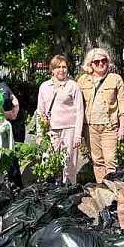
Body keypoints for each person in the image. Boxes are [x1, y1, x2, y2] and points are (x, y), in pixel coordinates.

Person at [77, 47, 124, 182]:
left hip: (109, 126)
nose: (101, 64)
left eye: (104, 60)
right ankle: (102, 189)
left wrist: (122, 126)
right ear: (90, 64)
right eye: (97, 62)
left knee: (111, 160)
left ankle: (113, 190)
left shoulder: (115, 79)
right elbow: (75, 103)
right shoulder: (83, 80)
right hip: (90, 127)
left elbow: (123, 103)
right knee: (97, 161)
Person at [37, 55, 84, 184]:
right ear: (52, 69)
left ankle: (69, 189)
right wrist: (40, 134)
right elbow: (40, 112)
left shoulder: (73, 86)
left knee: (69, 164)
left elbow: (80, 111)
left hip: (70, 129)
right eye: (58, 67)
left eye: (64, 67)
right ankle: (50, 189)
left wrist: (77, 135)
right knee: (48, 161)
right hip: (51, 130)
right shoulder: (44, 87)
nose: (61, 70)